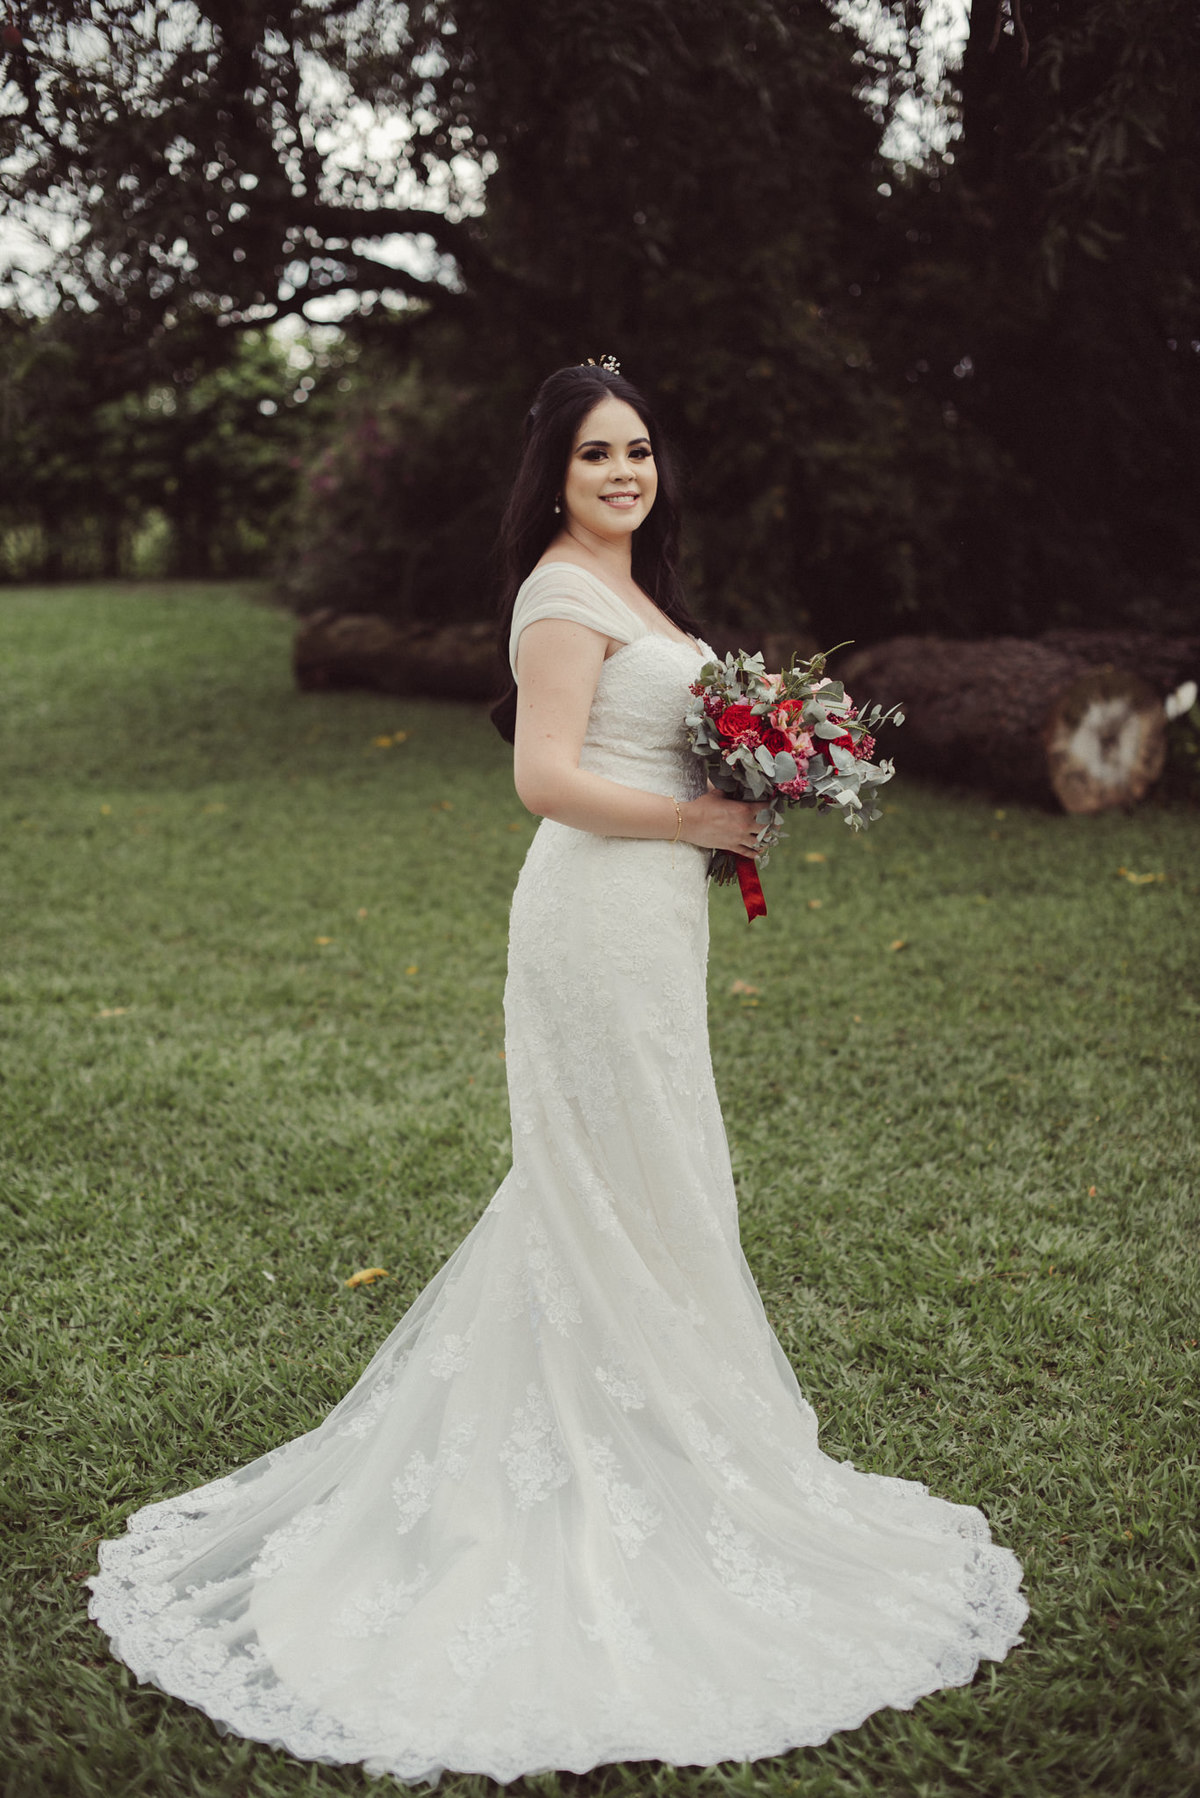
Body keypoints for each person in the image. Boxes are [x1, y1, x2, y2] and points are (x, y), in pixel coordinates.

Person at [88, 361, 1027, 1784]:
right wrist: (698, 807)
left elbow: (653, 740)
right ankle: (594, 1456)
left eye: (640, 449)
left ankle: (669, 1429)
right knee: (600, 1177)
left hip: (654, 921)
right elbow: (541, 774)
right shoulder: (557, 594)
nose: (624, 471)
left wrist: (746, 792)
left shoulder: (645, 589)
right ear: (556, 471)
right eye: (598, 454)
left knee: (655, 1173)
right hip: (590, 911)